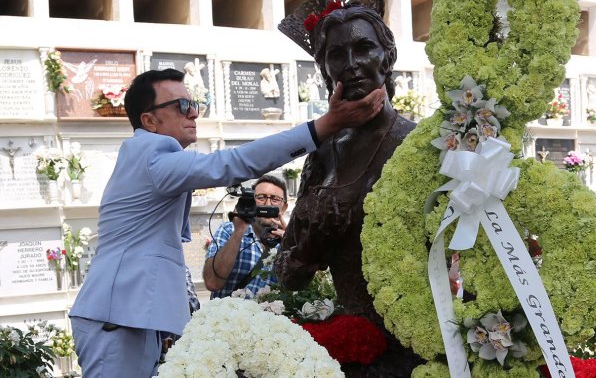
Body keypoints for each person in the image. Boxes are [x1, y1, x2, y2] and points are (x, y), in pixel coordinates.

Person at [68, 67, 385, 378]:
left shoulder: (147, 155)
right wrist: (325, 126)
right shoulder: (151, 152)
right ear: (149, 120)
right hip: (117, 317)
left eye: (193, 104)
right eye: (181, 106)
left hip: (129, 315)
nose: (193, 114)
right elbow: (232, 163)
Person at [276, 0, 421, 377]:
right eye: (336, 54)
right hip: (355, 346)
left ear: (387, 56)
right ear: (323, 69)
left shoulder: (421, 144)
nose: (352, 64)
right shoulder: (321, 156)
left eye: (363, 48)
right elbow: (287, 274)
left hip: (423, 341)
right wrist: (312, 244)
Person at [202, 174, 288, 298]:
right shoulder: (229, 230)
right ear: (252, 202)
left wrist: (291, 243)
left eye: (275, 199)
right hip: (230, 316)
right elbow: (212, 283)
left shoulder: (289, 240)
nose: (268, 203)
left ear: (284, 207)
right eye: (261, 197)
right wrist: (239, 230)